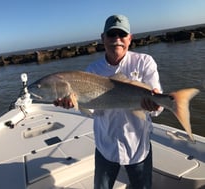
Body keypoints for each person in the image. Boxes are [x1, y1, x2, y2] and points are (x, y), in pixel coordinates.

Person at [54, 14, 162, 189]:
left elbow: (157, 110)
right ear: (103, 38)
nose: (117, 40)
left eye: (122, 34)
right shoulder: (92, 71)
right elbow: (95, 111)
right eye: (112, 35)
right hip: (106, 146)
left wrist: (156, 104)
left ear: (130, 38)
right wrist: (74, 104)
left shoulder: (144, 62)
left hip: (138, 147)